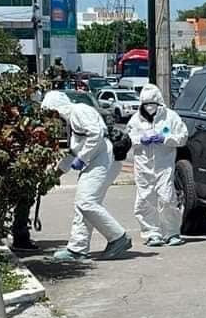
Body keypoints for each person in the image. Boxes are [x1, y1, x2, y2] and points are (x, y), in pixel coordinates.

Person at [40, 90, 132, 260]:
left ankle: (118, 236)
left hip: (102, 158)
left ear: (55, 109)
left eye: (49, 113)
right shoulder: (72, 120)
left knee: (86, 202)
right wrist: (54, 176)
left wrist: (83, 158)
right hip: (97, 158)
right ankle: (77, 248)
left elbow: (95, 134)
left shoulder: (79, 111)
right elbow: (74, 151)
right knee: (83, 204)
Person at [126, 84, 188, 247]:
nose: (150, 107)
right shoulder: (135, 120)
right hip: (143, 166)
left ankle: (172, 232)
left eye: (153, 103)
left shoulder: (171, 118)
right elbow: (128, 140)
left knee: (167, 198)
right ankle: (151, 233)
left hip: (165, 165)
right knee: (145, 200)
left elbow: (183, 137)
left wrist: (165, 139)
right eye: (146, 104)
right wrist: (141, 140)